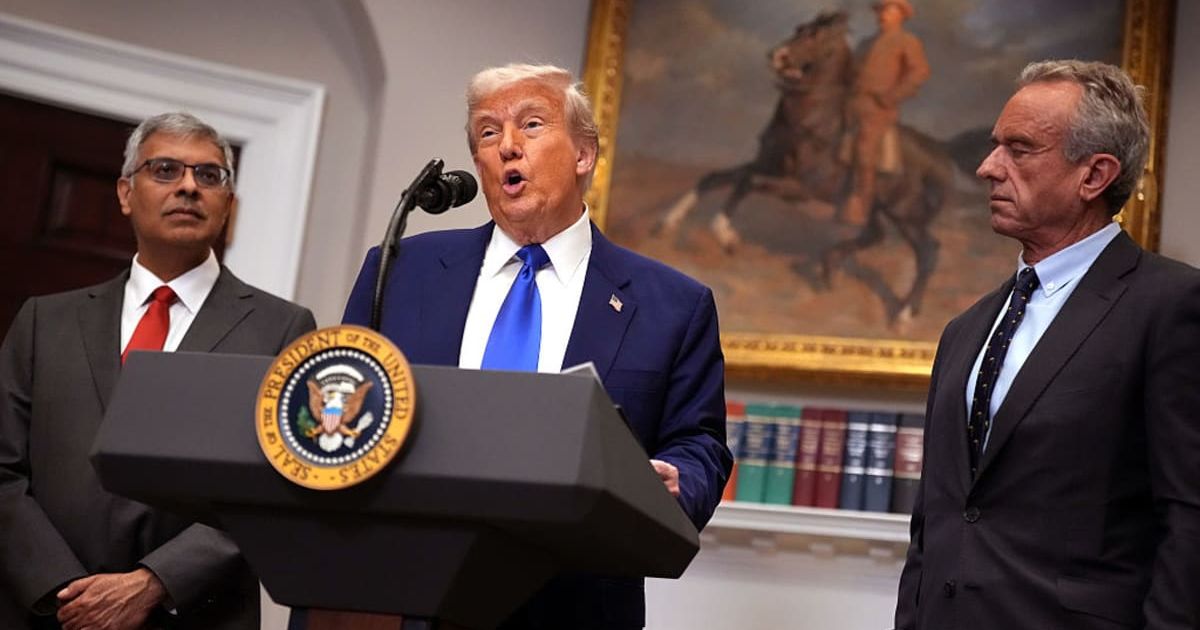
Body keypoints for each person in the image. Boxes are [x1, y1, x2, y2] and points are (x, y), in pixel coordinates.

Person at [342, 63, 732, 629]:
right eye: (487, 133)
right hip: (402, 594)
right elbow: (343, 402)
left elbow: (699, 442)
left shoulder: (672, 304)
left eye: (530, 124)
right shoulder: (401, 269)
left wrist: (678, 478)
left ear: (583, 155)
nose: (507, 147)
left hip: (574, 601)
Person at [895, 60, 1200, 629]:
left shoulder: (1172, 307)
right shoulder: (965, 330)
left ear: (1094, 175)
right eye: (994, 146)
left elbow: (1190, 519)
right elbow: (934, 522)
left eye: (1019, 148)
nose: (988, 168)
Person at [0, 112, 317, 629]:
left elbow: (280, 487)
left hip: (192, 614)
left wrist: (154, 582)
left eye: (209, 175)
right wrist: (67, 594)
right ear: (125, 193)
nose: (189, 187)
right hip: (42, 612)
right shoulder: (44, 321)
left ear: (229, 205)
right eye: (166, 170)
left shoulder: (283, 330)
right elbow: (3, 473)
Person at [840, 0, 929, 226]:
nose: (882, 14)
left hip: (879, 109)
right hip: (853, 104)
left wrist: (891, 96)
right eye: (880, 9)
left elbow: (919, 73)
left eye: (889, 9)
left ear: (901, 14)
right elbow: (851, 74)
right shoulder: (865, 43)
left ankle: (861, 204)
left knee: (864, 149)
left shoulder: (907, 42)